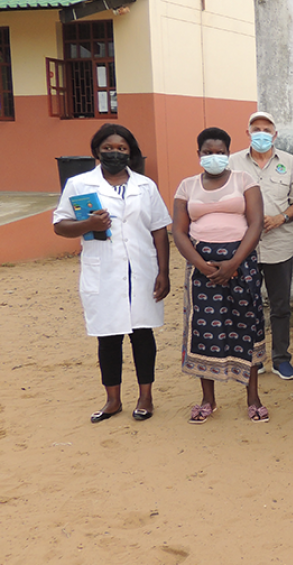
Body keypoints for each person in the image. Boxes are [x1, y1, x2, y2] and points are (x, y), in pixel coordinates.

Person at [53, 124, 172, 423]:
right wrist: (88, 225)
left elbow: (159, 230)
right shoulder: (79, 185)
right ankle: (113, 400)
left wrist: (163, 272)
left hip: (141, 271)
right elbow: (60, 225)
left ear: (130, 152)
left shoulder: (145, 186)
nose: (115, 153)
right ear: (97, 150)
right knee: (108, 337)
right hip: (103, 272)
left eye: (122, 148)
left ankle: (145, 397)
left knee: (142, 335)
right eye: (108, 148)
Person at [173, 127, 268, 423]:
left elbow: (255, 224)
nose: (214, 157)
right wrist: (202, 266)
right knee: (205, 331)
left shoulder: (244, 181)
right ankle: (208, 400)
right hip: (202, 269)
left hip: (242, 264)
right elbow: (178, 230)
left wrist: (234, 263)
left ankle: (253, 399)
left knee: (247, 326)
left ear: (228, 153)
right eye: (208, 152)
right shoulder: (187, 186)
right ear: (199, 154)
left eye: (220, 152)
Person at [229, 111, 293, 381]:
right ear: (248, 132)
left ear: (275, 134)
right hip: (242, 247)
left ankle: (281, 359)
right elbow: (224, 199)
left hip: (279, 246)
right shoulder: (233, 162)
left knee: (280, 306)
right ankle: (253, 357)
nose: (261, 133)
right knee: (247, 304)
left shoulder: (290, 162)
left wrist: (281, 217)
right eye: (256, 128)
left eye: (267, 129)